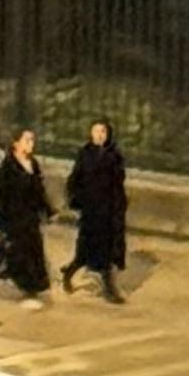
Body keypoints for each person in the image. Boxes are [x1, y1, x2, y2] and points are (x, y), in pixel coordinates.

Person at [64, 116, 129, 301]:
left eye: (103, 131)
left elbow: (118, 183)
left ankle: (109, 289)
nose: (100, 135)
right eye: (96, 131)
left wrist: (119, 207)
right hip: (90, 210)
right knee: (84, 252)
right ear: (91, 134)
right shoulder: (85, 154)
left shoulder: (114, 156)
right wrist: (75, 200)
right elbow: (75, 179)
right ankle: (69, 273)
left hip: (107, 211)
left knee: (107, 252)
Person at [0, 125, 54, 300]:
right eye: (27, 140)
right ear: (16, 143)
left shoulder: (33, 164)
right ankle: (4, 276)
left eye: (32, 140)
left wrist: (48, 211)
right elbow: (1, 195)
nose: (31, 144)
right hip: (14, 217)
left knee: (33, 251)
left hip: (30, 217)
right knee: (17, 252)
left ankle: (32, 286)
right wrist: (1, 218)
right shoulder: (8, 167)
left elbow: (39, 191)